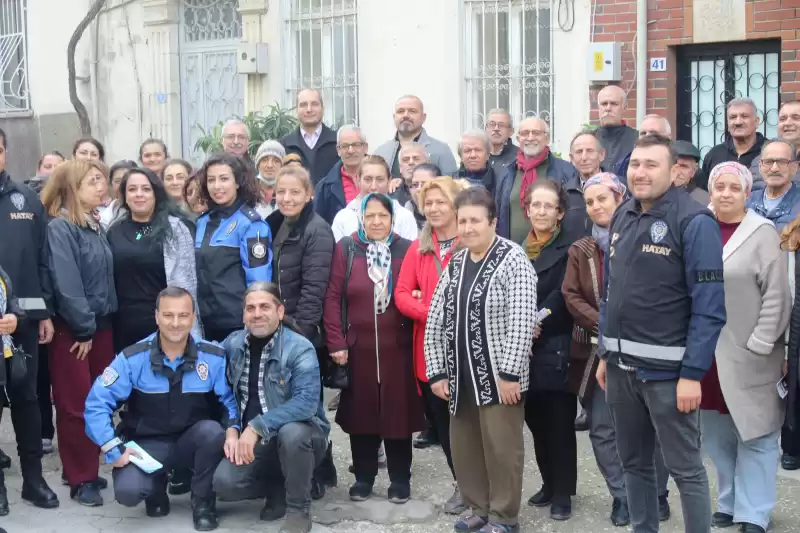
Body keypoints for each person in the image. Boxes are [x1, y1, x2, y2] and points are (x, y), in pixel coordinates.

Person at [598, 134, 727, 533]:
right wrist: (605, 353)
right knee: (634, 463)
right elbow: (610, 291)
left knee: (685, 469)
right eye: (635, 164)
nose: (640, 172)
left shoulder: (694, 220)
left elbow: (709, 308)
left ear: (675, 172)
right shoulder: (622, 214)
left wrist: (692, 375)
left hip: (668, 376)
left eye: (651, 165)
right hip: (621, 370)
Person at [424, 187, 538, 533]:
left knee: (502, 450)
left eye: (476, 220)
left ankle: (505, 517)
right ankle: (479, 508)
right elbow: (436, 316)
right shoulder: (457, 261)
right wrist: (437, 371)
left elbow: (522, 320)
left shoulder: (513, 259)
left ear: (493, 222)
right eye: (463, 221)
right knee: (467, 448)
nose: (468, 227)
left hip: (499, 380)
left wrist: (510, 374)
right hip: (461, 377)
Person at [562, 172, 671, 527]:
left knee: (651, 426)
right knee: (601, 428)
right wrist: (605, 326)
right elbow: (571, 295)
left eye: (602, 199)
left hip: (642, 348)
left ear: (620, 199)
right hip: (594, 351)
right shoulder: (581, 250)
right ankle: (621, 495)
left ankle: (655, 493)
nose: (595, 207)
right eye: (590, 202)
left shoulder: (646, 240)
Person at [84, 286, 237, 532]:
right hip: (147, 443)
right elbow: (96, 404)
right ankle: (156, 488)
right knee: (128, 492)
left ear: (193, 317)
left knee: (212, 433)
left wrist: (233, 429)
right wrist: (112, 448)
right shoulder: (132, 358)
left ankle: (203, 503)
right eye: (168, 315)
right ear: (156, 317)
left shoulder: (213, 356)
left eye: (183, 315)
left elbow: (229, 401)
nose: (175, 323)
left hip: (193, 440)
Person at [701, 162, 789, 533]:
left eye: (733, 188)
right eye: (719, 186)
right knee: (717, 434)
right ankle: (730, 502)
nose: (725, 194)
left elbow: (778, 294)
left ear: (745, 192)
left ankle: (755, 513)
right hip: (707, 354)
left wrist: (763, 341)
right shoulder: (698, 228)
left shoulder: (763, 233)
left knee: (758, 434)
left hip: (751, 353)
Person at [323, 193, 425, 503]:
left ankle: (400, 479)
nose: (377, 221)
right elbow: (332, 297)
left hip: (399, 347)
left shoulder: (407, 249)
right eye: (370, 216)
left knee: (398, 414)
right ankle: (364, 477)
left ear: (393, 218)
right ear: (362, 219)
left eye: (383, 215)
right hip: (357, 348)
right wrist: (336, 342)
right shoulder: (348, 248)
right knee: (361, 414)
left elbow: (417, 289)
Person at [213, 282, 331, 533]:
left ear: (280, 311)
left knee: (292, 433)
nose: (257, 313)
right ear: (243, 314)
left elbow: (306, 403)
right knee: (225, 484)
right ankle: (282, 485)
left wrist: (257, 426)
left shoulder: (300, 347)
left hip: (300, 436)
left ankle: (299, 508)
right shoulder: (233, 345)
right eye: (250, 308)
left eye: (265, 306)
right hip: (256, 442)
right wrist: (232, 428)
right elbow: (219, 384)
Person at [41, 159, 118, 507]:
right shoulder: (61, 227)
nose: (102, 188)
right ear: (73, 187)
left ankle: (84, 467)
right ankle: (80, 477)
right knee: (75, 405)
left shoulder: (92, 224)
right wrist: (83, 328)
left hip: (98, 326)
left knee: (97, 400)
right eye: (93, 181)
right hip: (75, 331)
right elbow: (67, 284)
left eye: (102, 181)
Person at [395, 177, 469, 515]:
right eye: (429, 202)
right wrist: (433, 311)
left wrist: (431, 305)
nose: (435, 208)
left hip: (469, 349)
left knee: (470, 424)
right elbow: (401, 295)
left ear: (456, 205)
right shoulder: (418, 247)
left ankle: (482, 486)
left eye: (441, 201)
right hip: (429, 352)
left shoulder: (473, 242)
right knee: (443, 424)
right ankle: (463, 485)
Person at [0, 126, 59, 514]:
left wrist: (42, 314)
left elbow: (41, 263)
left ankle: (33, 481)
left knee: (27, 400)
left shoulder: (26, 200)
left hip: (20, 325)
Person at [521, 179, 578, 521]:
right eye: (535, 205)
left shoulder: (570, 249)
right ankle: (547, 483)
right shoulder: (516, 247)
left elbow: (564, 294)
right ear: (527, 209)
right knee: (536, 422)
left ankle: (563, 493)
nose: (541, 211)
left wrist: (534, 320)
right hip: (522, 350)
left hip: (554, 342)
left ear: (559, 213)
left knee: (559, 425)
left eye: (548, 206)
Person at [107, 167, 201, 352]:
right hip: (125, 325)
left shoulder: (175, 229)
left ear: (156, 193)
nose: (139, 194)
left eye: (146, 189)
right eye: (132, 189)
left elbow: (188, 283)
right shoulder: (114, 230)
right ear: (124, 196)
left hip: (166, 323)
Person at [195, 153, 273, 342]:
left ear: (237, 182)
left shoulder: (251, 224)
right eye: (211, 180)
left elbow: (259, 281)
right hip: (204, 321)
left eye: (224, 179)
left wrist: (253, 319)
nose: (217, 186)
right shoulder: (202, 221)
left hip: (236, 323)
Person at [494, 117, 580, 244]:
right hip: (512, 254)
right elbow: (498, 215)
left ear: (547, 138)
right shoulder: (507, 173)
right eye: (525, 133)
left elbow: (571, 215)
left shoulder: (566, 171)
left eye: (536, 133)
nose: (530, 138)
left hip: (553, 254)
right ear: (518, 139)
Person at [330, 156, 419, 242]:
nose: (374, 187)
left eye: (380, 180)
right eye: (368, 180)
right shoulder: (343, 218)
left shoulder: (404, 217)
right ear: (358, 181)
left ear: (389, 181)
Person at [373, 95, 458, 177]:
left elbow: (450, 187)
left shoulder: (441, 151)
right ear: (394, 117)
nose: (405, 115)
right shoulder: (381, 153)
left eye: (412, 111)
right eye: (400, 111)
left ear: (423, 118)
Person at [700, 98, 766, 191]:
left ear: (756, 121)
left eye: (744, 116)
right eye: (733, 117)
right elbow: (705, 193)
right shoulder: (714, 155)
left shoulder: (769, 152)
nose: (738, 122)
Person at [280, 89, 339, 184]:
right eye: (303, 105)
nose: (309, 109)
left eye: (314, 104)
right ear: (296, 110)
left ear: (323, 108)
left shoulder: (338, 143)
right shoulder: (284, 146)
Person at [314, 125, 369, 225]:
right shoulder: (325, 188)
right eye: (345, 146)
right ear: (338, 150)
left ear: (365, 148)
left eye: (356, 145)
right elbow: (318, 225)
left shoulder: (380, 178)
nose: (350, 150)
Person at [746, 138, 800, 230]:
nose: (774, 169)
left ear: (794, 167)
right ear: (760, 166)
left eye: (782, 162)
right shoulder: (747, 201)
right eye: (768, 162)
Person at [751, 100, 800, 188]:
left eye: (796, 118)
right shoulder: (763, 157)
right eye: (782, 119)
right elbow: (752, 188)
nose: (787, 123)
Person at [613, 115, 672, 180]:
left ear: (668, 138)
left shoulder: (679, 164)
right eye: (643, 133)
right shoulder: (622, 165)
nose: (647, 136)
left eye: (653, 133)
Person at [594, 85, 638, 172]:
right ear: (598, 108)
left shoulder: (637, 140)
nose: (608, 108)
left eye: (614, 104)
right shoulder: (589, 140)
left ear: (624, 108)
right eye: (604, 104)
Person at [254, 140, 286, 218]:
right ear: (258, 164)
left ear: (282, 166)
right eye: (265, 160)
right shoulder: (247, 191)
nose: (270, 165)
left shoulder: (289, 192)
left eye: (276, 161)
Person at [671, 141, 708, 206]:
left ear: (694, 170)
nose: (678, 172)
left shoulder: (704, 201)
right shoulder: (653, 195)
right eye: (673, 165)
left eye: (684, 166)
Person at [405, 163, 441, 229]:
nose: (419, 189)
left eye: (425, 184)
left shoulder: (451, 216)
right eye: (415, 184)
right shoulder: (400, 217)